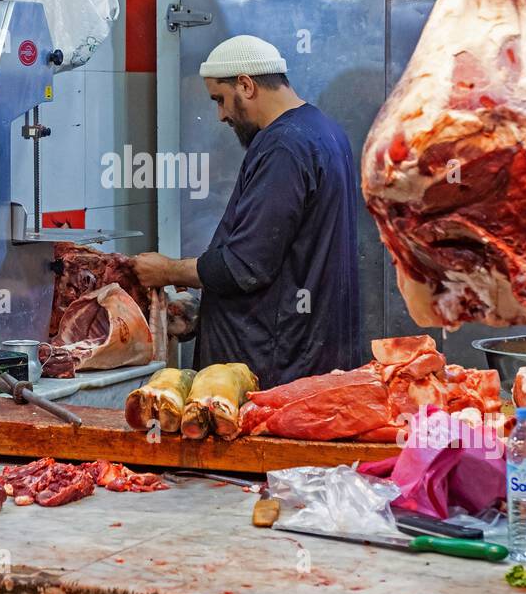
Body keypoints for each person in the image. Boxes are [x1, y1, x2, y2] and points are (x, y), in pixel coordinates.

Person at [133, 34, 361, 389]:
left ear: (246, 84)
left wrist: (166, 270)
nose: (221, 114)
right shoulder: (323, 130)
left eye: (220, 100)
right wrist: (201, 316)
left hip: (273, 371)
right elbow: (285, 259)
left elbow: (245, 267)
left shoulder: (284, 146)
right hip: (307, 354)